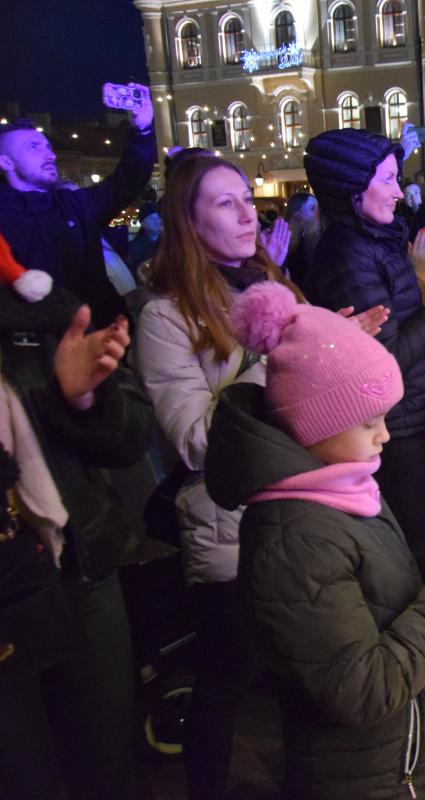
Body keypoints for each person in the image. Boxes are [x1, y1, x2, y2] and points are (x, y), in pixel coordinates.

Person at [203, 282, 425, 799]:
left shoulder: (342, 486)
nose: (385, 435)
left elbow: (369, 600)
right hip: (376, 778)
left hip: (407, 758)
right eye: (368, 421)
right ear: (314, 424)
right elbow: (362, 692)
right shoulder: (294, 540)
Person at [134, 155, 315, 800]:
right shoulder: (165, 316)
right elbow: (193, 440)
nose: (248, 214)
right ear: (188, 222)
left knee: (303, 674)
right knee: (227, 680)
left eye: (247, 198)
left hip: (299, 509)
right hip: (228, 524)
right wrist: (276, 359)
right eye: (225, 203)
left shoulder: (272, 282)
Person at [0, 243, 153, 800]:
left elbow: (132, 437)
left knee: (106, 763)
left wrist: (80, 402)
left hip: (77, 568)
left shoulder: (36, 308)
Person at [302, 127, 425, 557]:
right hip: (395, 428)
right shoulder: (348, 253)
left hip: (415, 414)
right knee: (420, 546)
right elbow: (387, 355)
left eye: (397, 178)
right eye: (387, 179)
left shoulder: (376, 239)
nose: (398, 191)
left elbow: (405, 328)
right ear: (352, 187)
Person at [0, 89, 156, 326]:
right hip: (40, 343)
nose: (50, 155)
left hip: (105, 335)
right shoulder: (5, 216)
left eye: (48, 147)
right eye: (34, 147)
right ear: (5, 161)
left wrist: (142, 130)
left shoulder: (74, 204)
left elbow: (127, 181)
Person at [281, 190, 320, 289]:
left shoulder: (306, 235)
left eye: (318, 208)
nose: (317, 213)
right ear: (296, 213)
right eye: (312, 208)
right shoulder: (283, 240)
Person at [128, 200, 162, 271]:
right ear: (143, 224)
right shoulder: (134, 247)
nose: (156, 221)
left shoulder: (170, 242)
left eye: (158, 218)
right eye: (151, 219)